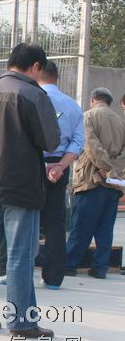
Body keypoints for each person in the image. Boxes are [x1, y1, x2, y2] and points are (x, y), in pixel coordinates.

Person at [0, 43, 60, 338]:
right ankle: (21, 322)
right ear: (35, 67)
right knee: (20, 254)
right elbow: (51, 141)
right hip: (20, 186)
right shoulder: (34, 94)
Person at [65, 87, 125, 279]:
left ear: (92, 99)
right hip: (114, 183)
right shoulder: (120, 121)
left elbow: (90, 145)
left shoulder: (88, 116)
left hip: (91, 179)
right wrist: (114, 171)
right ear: (109, 101)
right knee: (105, 229)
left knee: (81, 225)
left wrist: (105, 167)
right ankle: (100, 268)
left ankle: (70, 264)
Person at [35, 61, 84, 289]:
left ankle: (16, 270)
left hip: (31, 164)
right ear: (57, 77)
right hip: (59, 165)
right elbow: (78, 142)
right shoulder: (72, 105)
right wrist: (60, 166)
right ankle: (53, 278)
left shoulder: (31, 99)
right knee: (55, 222)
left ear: (36, 73)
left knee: (24, 218)